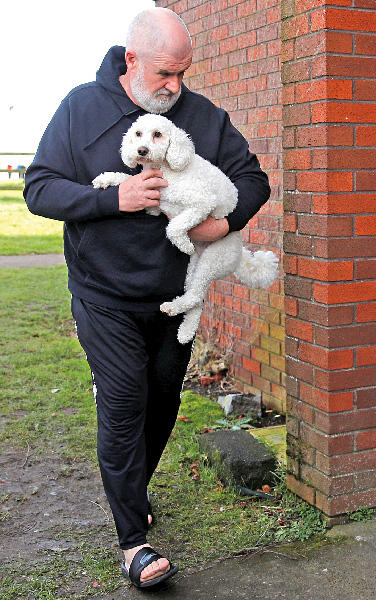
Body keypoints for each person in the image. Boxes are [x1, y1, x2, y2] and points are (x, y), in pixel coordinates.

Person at [24, 8, 270, 588]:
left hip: (173, 297)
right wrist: (117, 199)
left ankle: (132, 490)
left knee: (161, 401)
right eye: (165, 72)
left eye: (183, 73)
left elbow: (253, 177)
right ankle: (133, 539)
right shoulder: (81, 107)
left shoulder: (203, 118)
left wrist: (225, 221)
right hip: (102, 293)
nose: (175, 86)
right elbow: (39, 187)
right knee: (124, 399)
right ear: (131, 61)